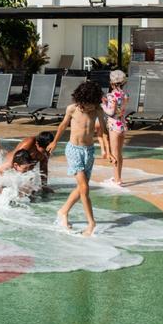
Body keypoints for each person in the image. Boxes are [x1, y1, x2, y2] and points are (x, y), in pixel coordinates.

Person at [47, 81, 107, 237]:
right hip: (73, 150)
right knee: (84, 188)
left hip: (89, 151)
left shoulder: (97, 110)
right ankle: (91, 223)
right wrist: (55, 141)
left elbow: (103, 131)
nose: (90, 108)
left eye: (93, 105)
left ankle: (63, 211)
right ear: (81, 100)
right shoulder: (72, 109)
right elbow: (63, 125)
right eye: (88, 105)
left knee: (82, 188)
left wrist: (108, 151)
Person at [103, 70, 129, 186]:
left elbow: (111, 112)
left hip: (114, 126)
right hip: (122, 125)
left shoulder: (111, 95)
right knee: (119, 153)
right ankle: (118, 177)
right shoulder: (125, 95)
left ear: (112, 83)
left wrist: (102, 105)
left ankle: (117, 180)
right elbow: (119, 110)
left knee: (114, 154)